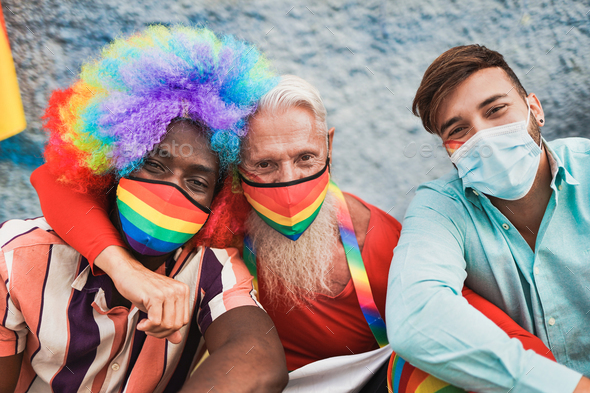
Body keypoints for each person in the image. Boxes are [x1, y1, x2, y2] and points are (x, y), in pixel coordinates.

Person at [30, 74, 560, 392]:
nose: (288, 183)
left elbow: (470, 325)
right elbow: (54, 182)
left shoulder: (376, 236)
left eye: (304, 158)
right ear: (235, 169)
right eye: (265, 164)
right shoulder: (210, 213)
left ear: (328, 146)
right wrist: (123, 268)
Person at [0, 25, 287, 393]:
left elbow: (257, 361)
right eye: (154, 164)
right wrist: (124, 270)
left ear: (218, 200)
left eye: (197, 182)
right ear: (117, 163)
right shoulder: (20, 258)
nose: (169, 192)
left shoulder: (211, 269)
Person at [386, 44, 590, 392]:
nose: (482, 136)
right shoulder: (440, 207)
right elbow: (416, 317)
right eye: (458, 130)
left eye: (495, 109)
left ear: (534, 109)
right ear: (450, 152)